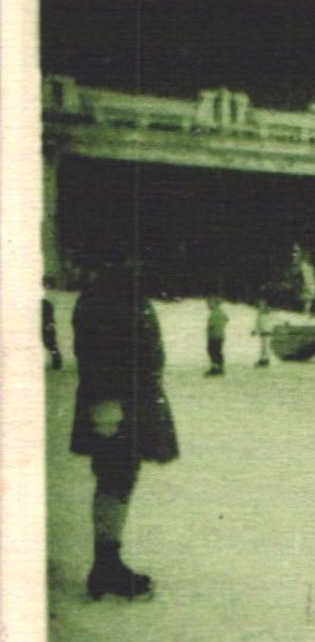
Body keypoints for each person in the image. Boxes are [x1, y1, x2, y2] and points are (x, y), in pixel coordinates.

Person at [69, 256, 179, 601]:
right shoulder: (104, 298)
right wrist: (105, 403)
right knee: (114, 477)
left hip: (132, 400)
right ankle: (105, 566)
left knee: (121, 477)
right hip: (116, 402)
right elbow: (95, 353)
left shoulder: (123, 293)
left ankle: (108, 562)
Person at [205, 296, 229, 377]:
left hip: (214, 335)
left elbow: (211, 325)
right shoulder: (220, 312)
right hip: (220, 335)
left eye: (210, 304)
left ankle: (215, 367)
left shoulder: (214, 313)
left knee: (212, 351)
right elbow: (226, 319)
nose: (208, 305)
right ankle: (219, 367)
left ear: (215, 304)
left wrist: (211, 328)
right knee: (217, 351)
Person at [42, 285, 63, 370]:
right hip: (43, 325)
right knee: (52, 345)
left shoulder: (46, 304)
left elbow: (49, 316)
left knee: (51, 345)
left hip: (45, 326)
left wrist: (49, 324)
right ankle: (57, 362)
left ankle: (57, 362)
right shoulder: (47, 304)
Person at [253, 298, 273, 368]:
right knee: (263, 346)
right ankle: (263, 359)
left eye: (262, 305)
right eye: (260, 305)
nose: (260, 306)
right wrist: (255, 330)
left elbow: (267, 322)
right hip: (263, 331)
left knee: (265, 346)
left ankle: (265, 360)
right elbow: (258, 323)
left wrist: (256, 330)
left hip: (267, 331)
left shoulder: (267, 313)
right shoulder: (260, 313)